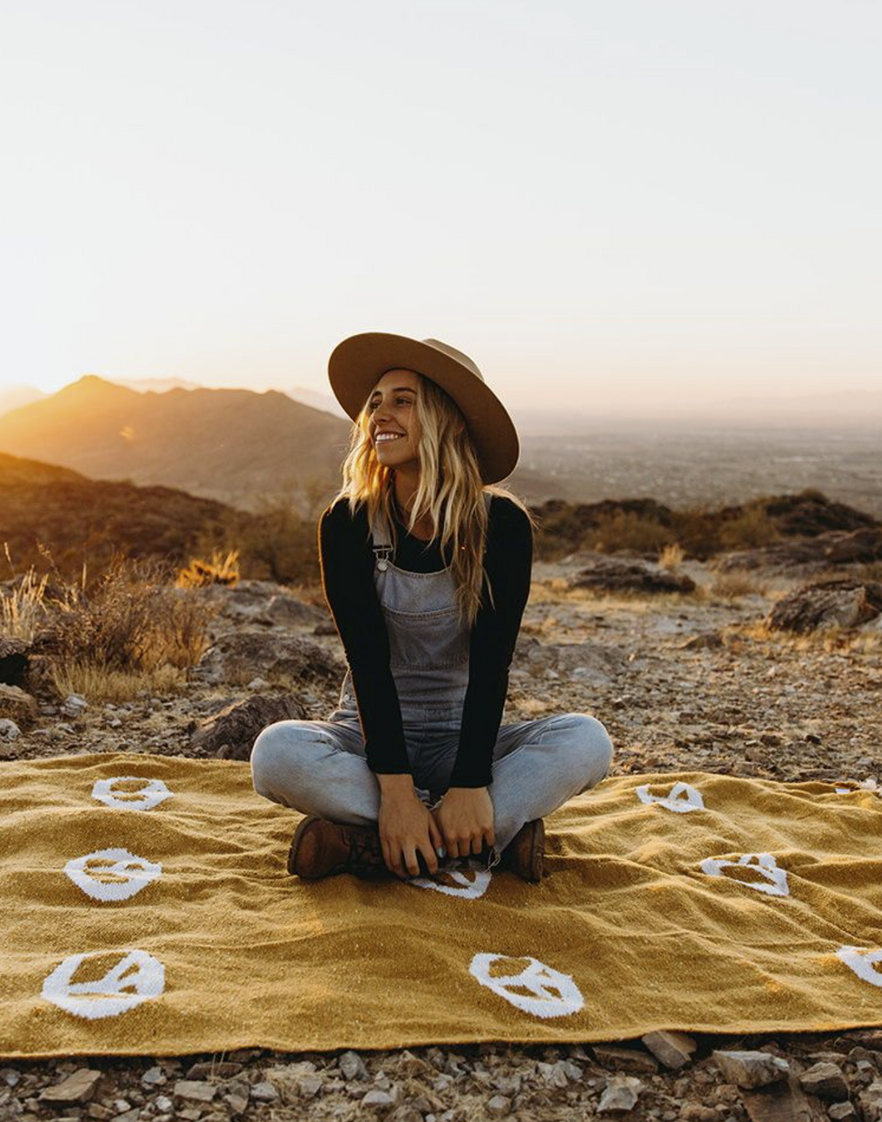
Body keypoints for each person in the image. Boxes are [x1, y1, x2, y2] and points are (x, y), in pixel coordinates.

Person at [250, 333, 613, 882]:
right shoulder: (347, 524)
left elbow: (493, 667)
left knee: (588, 741)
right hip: (368, 734)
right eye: (375, 401)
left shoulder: (502, 527)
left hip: (463, 734)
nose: (379, 415)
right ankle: (473, 837)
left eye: (402, 400)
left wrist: (469, 783)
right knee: (274, 754)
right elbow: (368, 667)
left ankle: (373, 843)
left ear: (449, 419)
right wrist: (396, 794)